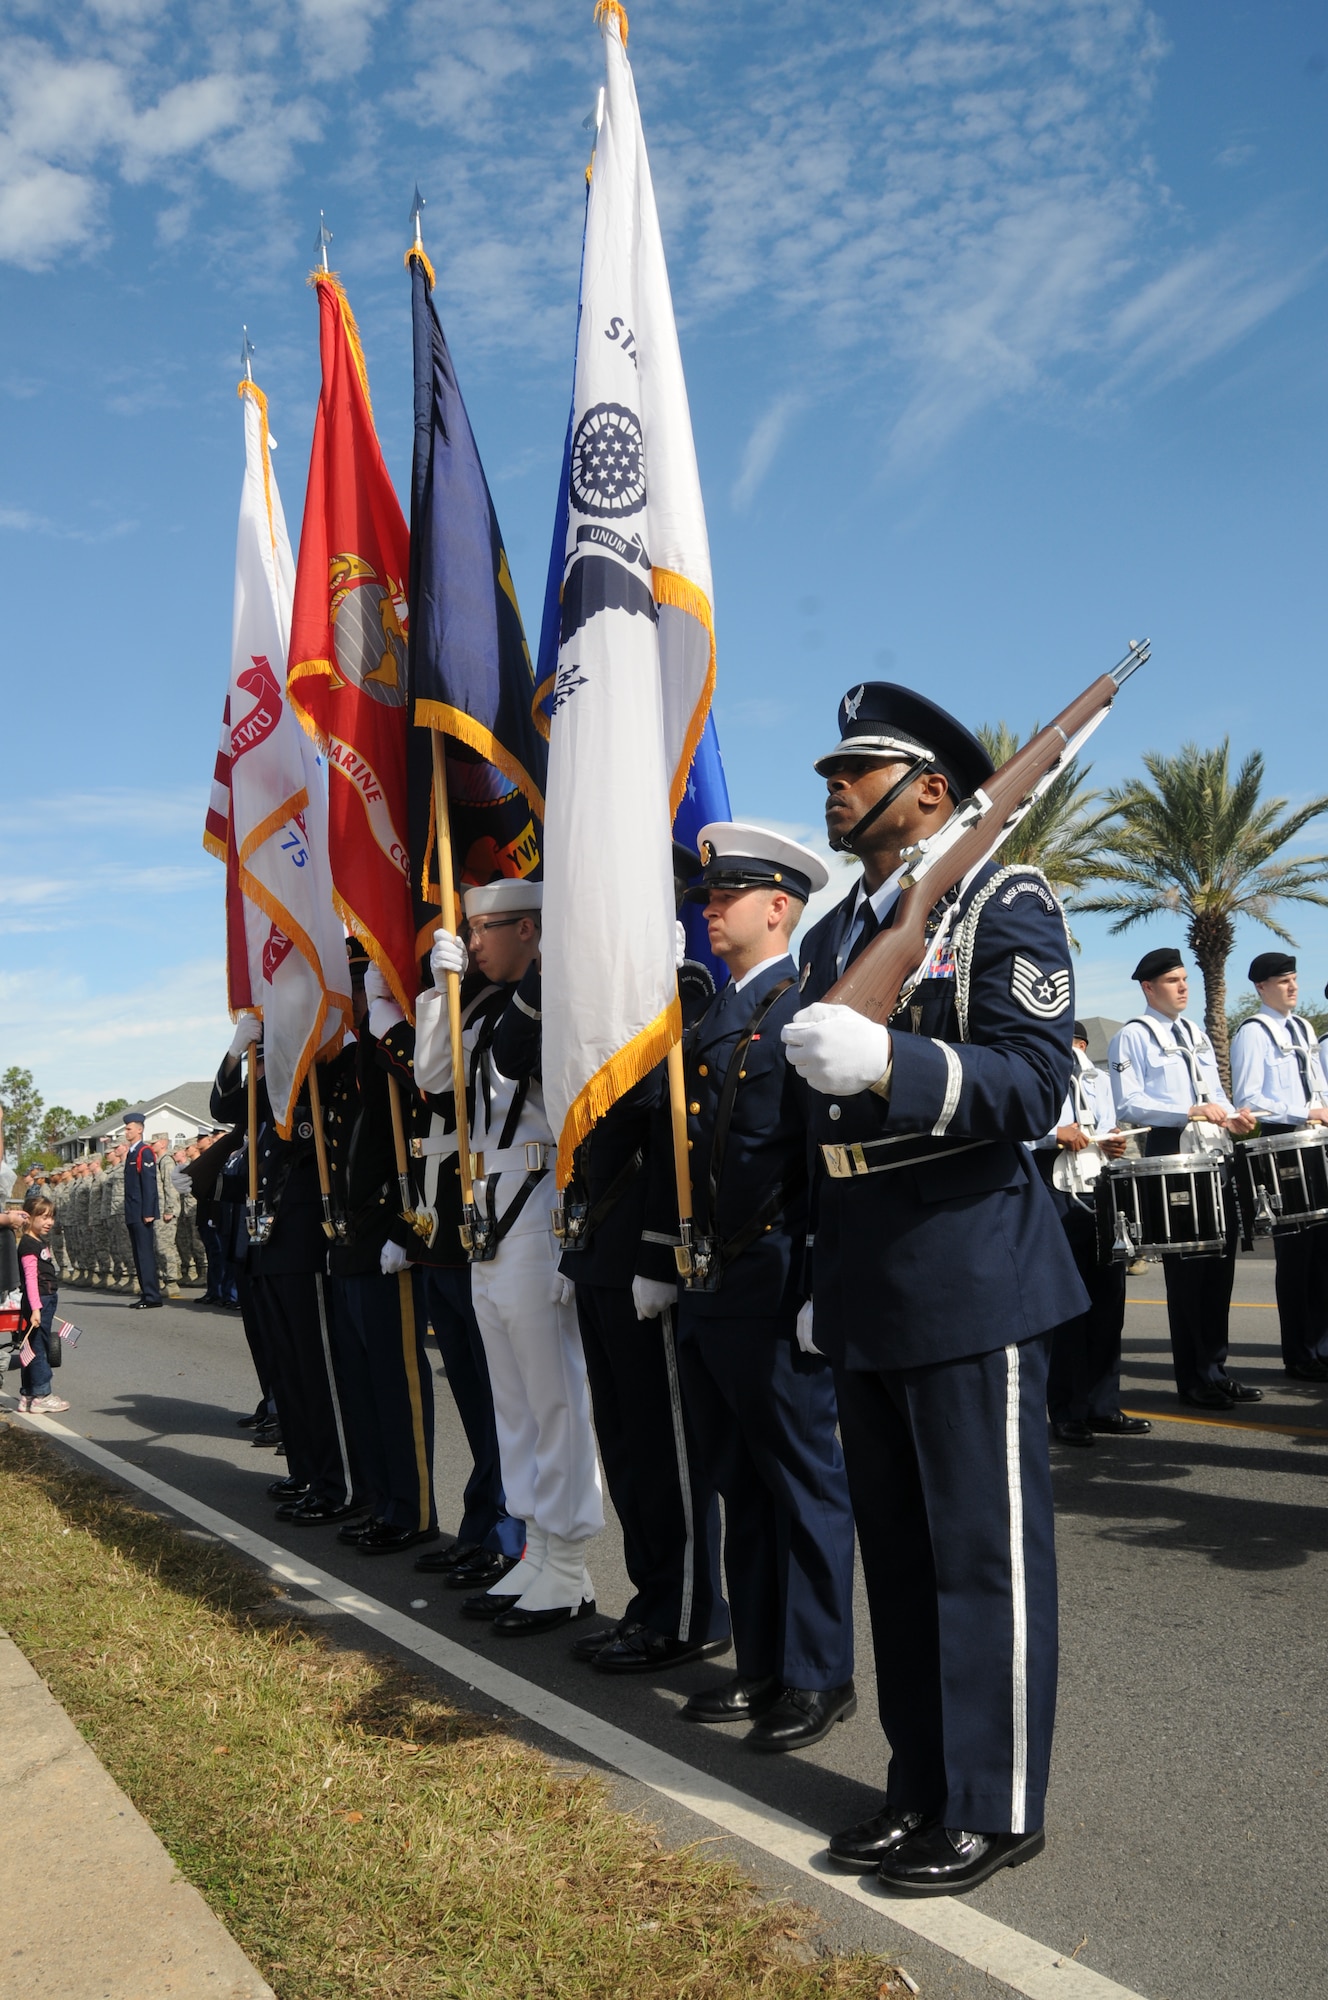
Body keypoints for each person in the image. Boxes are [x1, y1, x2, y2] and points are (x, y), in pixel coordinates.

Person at [782, 681, 1087, 1895]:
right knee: (899, 1558)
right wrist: (814, 1270)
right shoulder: (830, 936)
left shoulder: (1001, 899)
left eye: (856, 768)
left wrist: (894, 1061)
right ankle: (919, 1785)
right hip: (862, 1274)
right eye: (831, 769)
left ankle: (995, 1800)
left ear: (929, 791)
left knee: (979, 1555)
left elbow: (1031, 1086)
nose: (833, 785)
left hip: (968, 1271)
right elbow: (809, 1135)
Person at [642, 822, 857, 1750]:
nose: (709, 909)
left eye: (726, 896)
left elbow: (823, 1162)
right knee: (736, 1481)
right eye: (706, 895)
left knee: (802, 1485)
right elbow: (683, 1149)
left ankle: (818, 1675)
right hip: (711, 1286)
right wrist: (659, 1261)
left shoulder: (807, 1009)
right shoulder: (711, 1015)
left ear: (780, 906)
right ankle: (762, 1664)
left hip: (775, 1280)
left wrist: (823, 1283)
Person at [490, 850, 731, 1678]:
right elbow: (510, 1053)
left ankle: (693, 1615)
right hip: (593, 1249)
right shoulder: (576, 995)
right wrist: (553, 968)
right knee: (626, 1446)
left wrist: (661, 1247)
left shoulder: (686, 986)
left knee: (667, 1448)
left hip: (645, 1256)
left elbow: (677, 1130)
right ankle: (651, 1599)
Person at [416, 881, 604, 1635]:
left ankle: (570, 1561)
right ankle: (536, 1545)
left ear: (529, 929)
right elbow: (436, 1083)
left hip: (537, 1206)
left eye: (482, 928)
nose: (474, 942)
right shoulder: (482, 1003)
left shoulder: (551, 994)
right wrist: (438, 993)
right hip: (490, 1214)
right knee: (514, 1403)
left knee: (554, 1396)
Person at [371, 950, 527, 1592]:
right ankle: (482, 1525)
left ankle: (508, 1536)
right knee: (472, 1397)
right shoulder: (451, 1012)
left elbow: (434, 1086)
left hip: (478, 1230)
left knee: (502, 1404)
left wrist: (392, 1024)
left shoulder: (488, 1009)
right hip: (439, 1235)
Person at [211, 1020, 365, 1522]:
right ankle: (307, 1470)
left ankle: (335, 1483)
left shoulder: (319, 1073)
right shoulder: (266, 1087)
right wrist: (237, 1050)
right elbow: (223, 1107)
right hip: (267, 1243)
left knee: (315, 1368)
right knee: (287, 1369)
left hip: (303, 1239)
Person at [320, 939, 440, 1556]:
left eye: (364, 983)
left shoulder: (395, 1050)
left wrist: (402, 1225)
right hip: (351, 1243)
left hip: (388, 1234)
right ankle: (381, 1496)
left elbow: (419, 1128)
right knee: (363, 1384)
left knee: (397, 1386)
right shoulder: (352, 1061)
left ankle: (413, 1509)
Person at [1108, 950, 1258, 1408]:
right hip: (1172, 1154)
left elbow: (1213, 1093)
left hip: (1213, 1152)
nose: (1183, 987)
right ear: (1148, 988)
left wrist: (1234, 1116)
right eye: (1172, 981)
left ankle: (1216, 1370)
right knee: (1188, 1275)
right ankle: (1192, 1380)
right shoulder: (1131, 1036)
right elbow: (1128, 1104)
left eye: (1185, 978)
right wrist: (1186, 1111)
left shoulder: (1194, 1032)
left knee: (1220, 1268)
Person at [1030, 1023, 1147, 1444]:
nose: (1077, 1048)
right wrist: (1051, 1134)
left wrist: (1113, 1141)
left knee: (1108, 1302)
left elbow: (1107, 1126)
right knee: (1065, 1308)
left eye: (1079, 1043)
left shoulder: (1095, 1079)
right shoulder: (1037, 1070)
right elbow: (1011, 1126)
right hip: (1054, 1191)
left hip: (1097, 1189)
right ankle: (1066, 1411)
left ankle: (1103, 1406)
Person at [1230, 952, 1328, 1381]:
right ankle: (1299, 1353)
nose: (1292, 987)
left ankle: (1322, 1346)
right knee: (1296, 1256)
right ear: (1261, 988)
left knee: (1323, 1255)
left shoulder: (1304, 1028)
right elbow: (1249, 1099)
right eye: (1282, 981)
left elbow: (1318, 1085)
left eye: (1294, 979)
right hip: (1282, 1145)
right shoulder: (1253, 1032)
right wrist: (1305, 1112)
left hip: (1316, 1142)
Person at [14, 1197, 69, 1415]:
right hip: (40, 1302)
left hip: (44, 1301)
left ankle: (28, 1395)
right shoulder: (28, 1245)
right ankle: (42, 1394)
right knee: (39, 1348)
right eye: (43, 1217)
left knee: (33, 1347)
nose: (49, 1222)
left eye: (51, 1217)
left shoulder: (37, 1241)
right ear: (29, 1217)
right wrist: (36, 1309)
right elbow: (30, 1279)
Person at [122, 1113, 163, 1308]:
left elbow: (149, 1184)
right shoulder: (131, 1152)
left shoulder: (144, 1152)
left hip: (141, 1212)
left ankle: (153, 1296)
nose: (126, 1132)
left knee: (145, 1254)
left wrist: (148, 1211)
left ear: (140, 1129)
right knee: (138, 1255)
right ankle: (146, 1294)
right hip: (132, 1211)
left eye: (129, 1128)